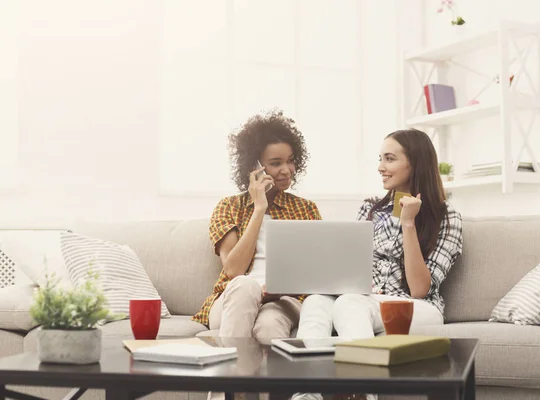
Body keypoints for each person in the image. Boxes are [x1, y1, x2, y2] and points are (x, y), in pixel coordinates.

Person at [296, 128, 463, 339]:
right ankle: (310, 370)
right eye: (380, 159)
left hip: (417, 306)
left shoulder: (446, 217)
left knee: (349, 303)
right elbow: (352, 268)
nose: (380, 167)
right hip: (367, 297)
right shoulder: (371, 209)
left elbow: (419, 289)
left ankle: (364, 370)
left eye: (389, 159)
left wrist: (408, 223)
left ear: (415, 164)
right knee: (316, 301)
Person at [192, 109, 322, 340]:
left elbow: (317, 271)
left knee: (269, 326)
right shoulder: (229, 206)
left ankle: (245, 372)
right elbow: (233, 270)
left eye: (290, 161)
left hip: (282, 300)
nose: (286, 170)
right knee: (245, 286)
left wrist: (281, 290)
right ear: (254, 166)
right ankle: (234, 373)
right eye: (275, 163)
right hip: (234, 300)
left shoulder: (306, 209)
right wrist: (259, 209)